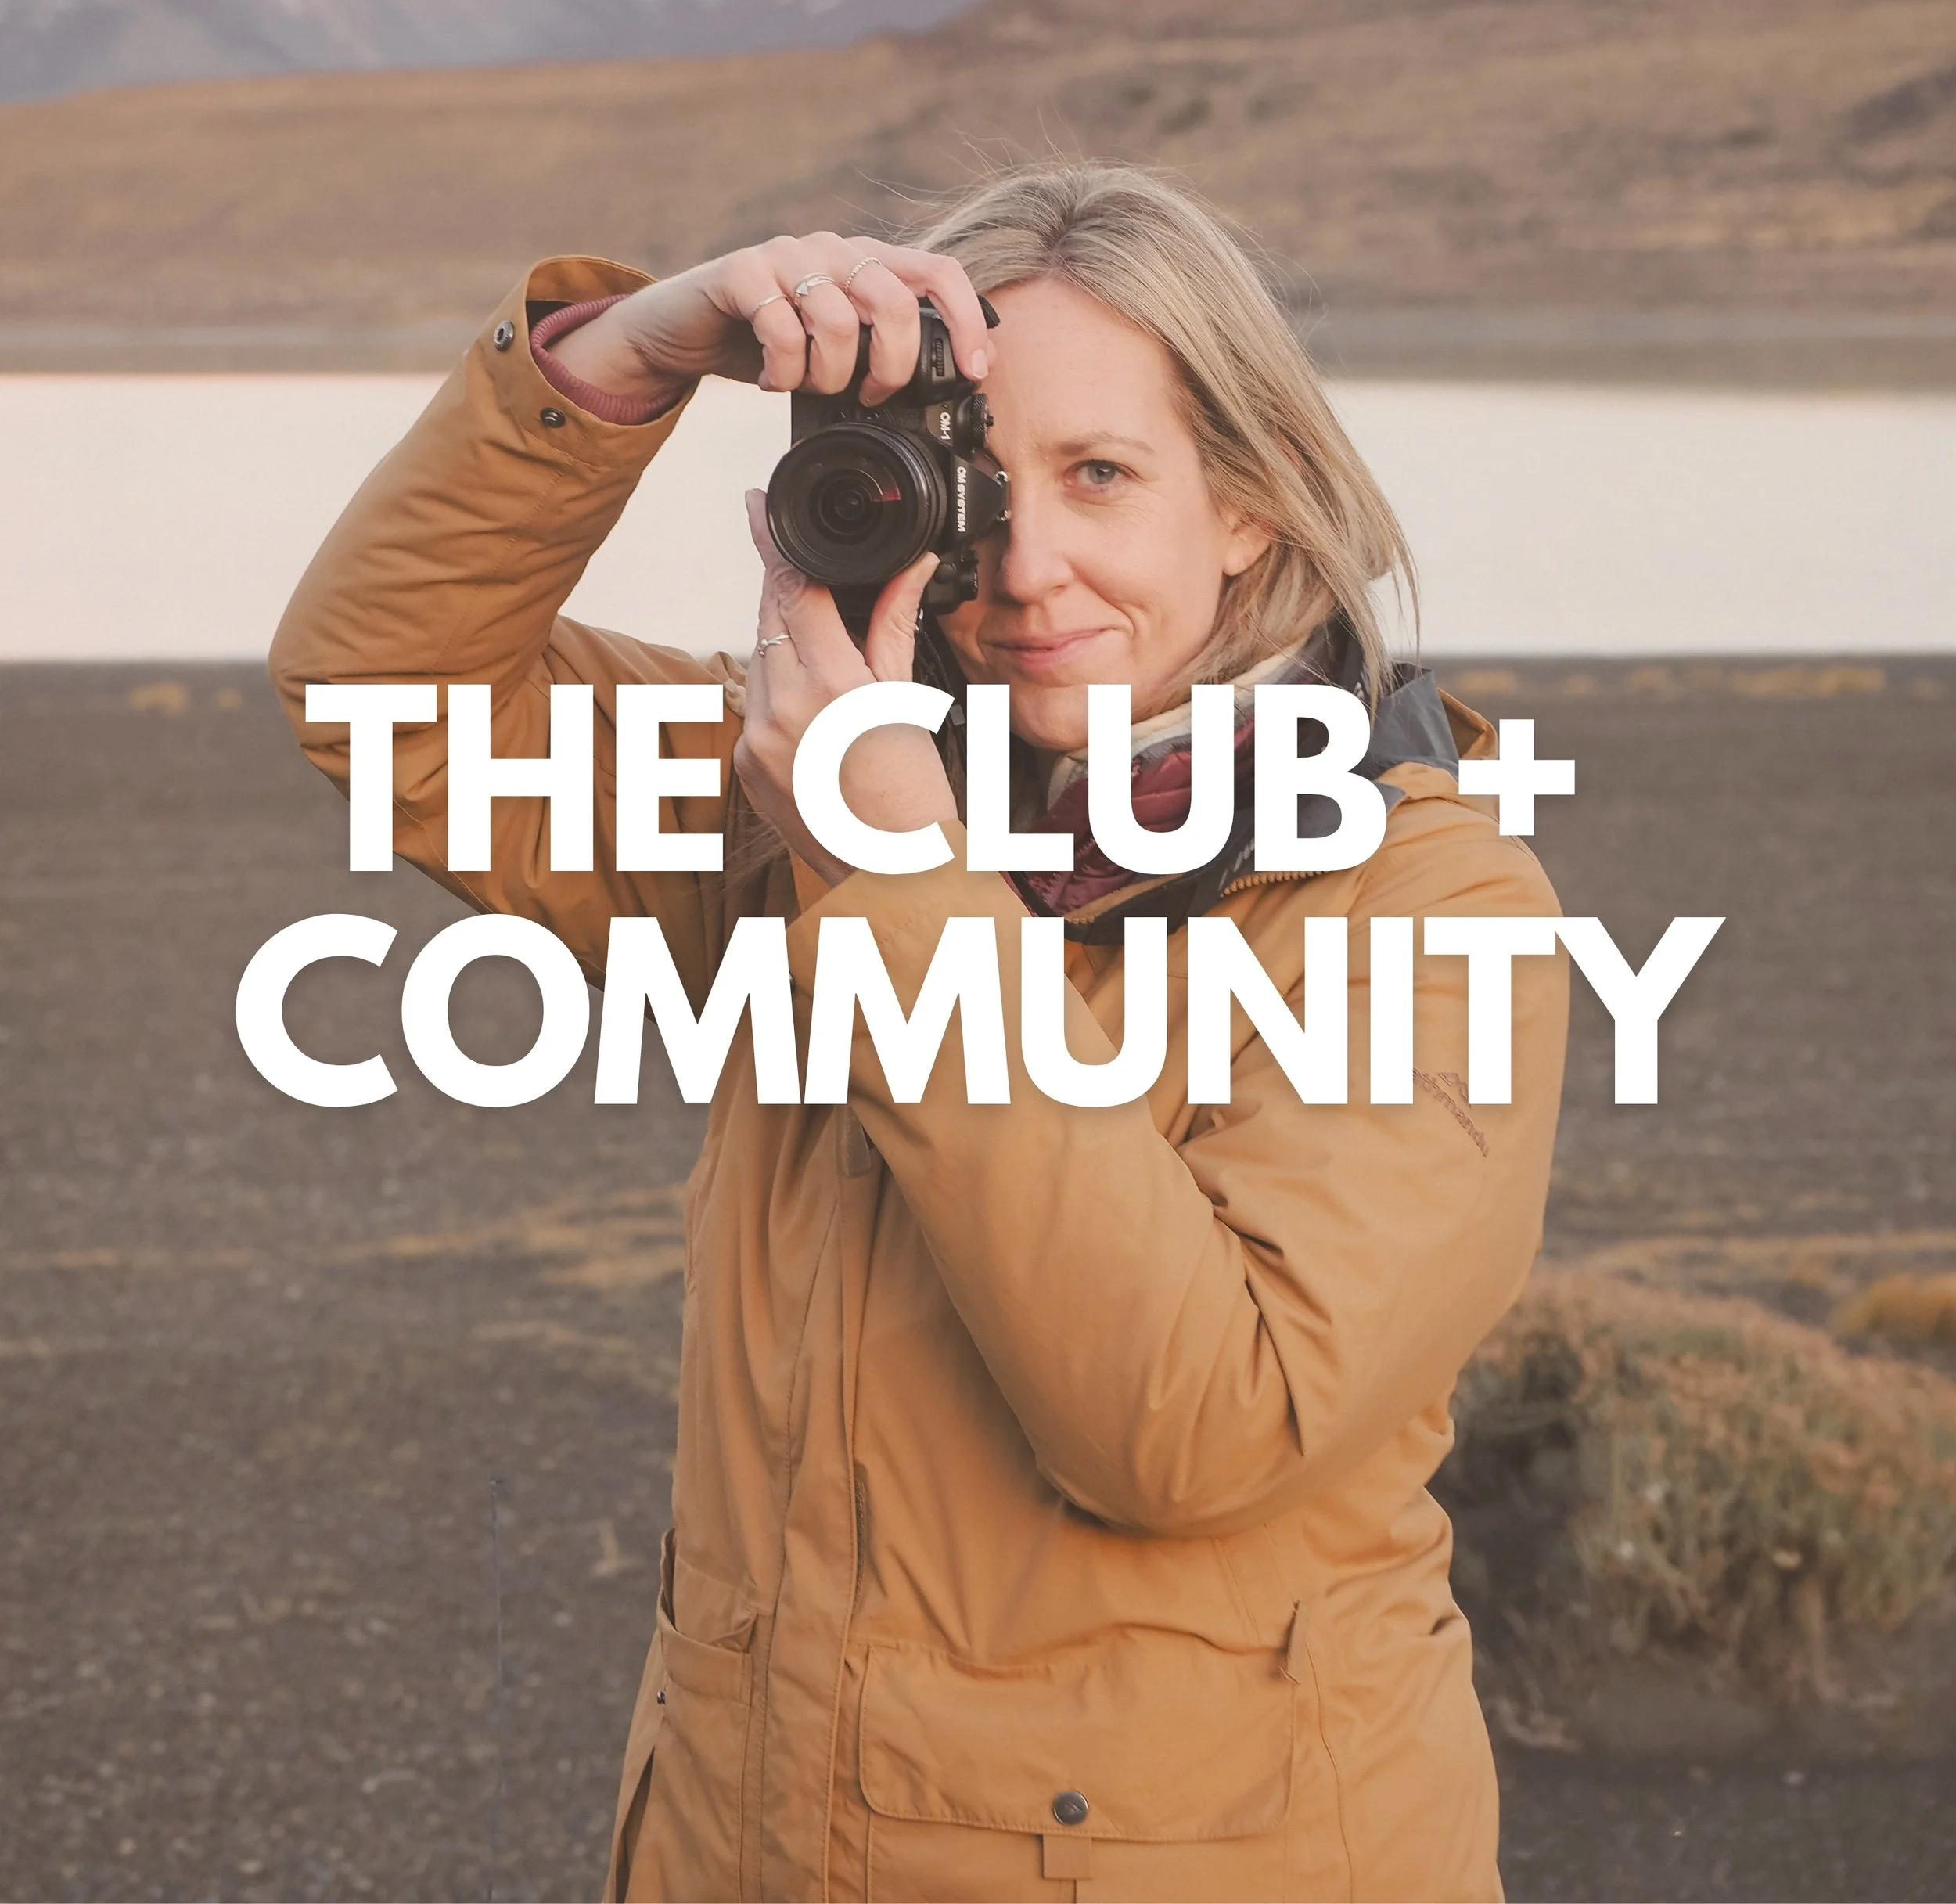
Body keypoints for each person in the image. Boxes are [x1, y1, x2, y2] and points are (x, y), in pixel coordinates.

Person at [271, 163, 1567, 1903]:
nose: (1022, 569)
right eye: (970, 489)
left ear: (1248, 502)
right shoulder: (800, 794)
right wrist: (628, 354)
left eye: (1100, 473)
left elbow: (1200, 1422)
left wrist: (884, 862)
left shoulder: (1425, 898)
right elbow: (382, 697)